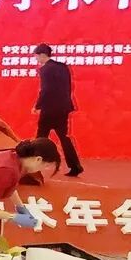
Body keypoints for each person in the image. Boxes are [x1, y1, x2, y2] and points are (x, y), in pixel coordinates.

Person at [33, 44, 84, 176]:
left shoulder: (45, 69)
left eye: (36, 56)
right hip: (63, 108)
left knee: (40, 138)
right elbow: (68, 87)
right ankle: (75, 166)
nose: (36, 59)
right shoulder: (63, 67)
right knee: (64, 137)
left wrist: (37, 105)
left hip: (49, 108)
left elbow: (45, 90)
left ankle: (33, 168)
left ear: (42, 55)